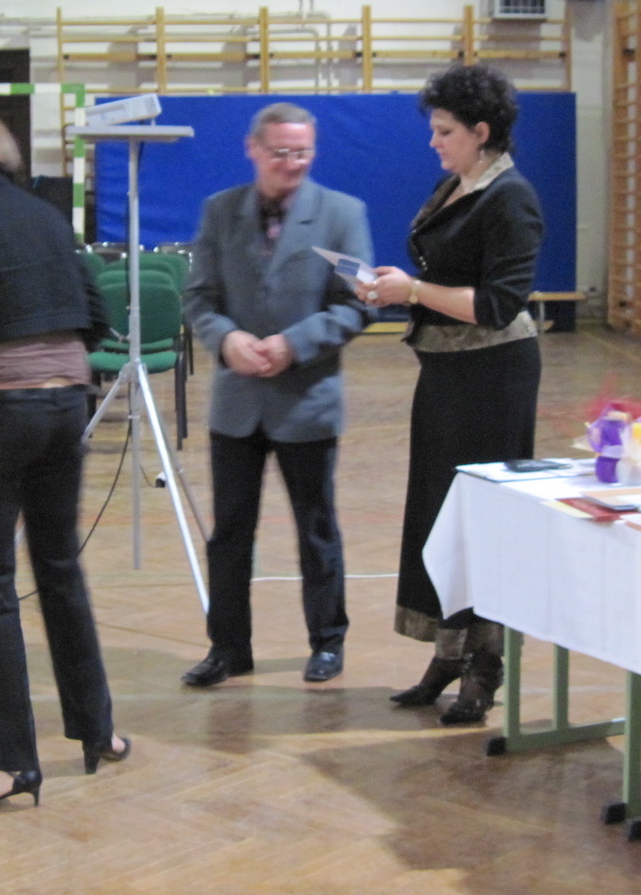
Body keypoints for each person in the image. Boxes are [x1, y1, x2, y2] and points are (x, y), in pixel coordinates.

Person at [0, 99, 129, 810]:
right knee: (60, 569)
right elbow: (97, 319)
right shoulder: (47, 217)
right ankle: (98, 729)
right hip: (66, 405)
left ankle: (12, 763)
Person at [356, 63, 545, 725]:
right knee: (438, 515)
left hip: (492, 378)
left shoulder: (510, 197)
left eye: (444, 131)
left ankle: (484, 664)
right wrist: (395, 286)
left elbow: (496, 305)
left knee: (481, 520)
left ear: (481, 132)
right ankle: (448, 650)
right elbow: (443, 277)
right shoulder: (457, 185)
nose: (433, 142)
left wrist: (410, 290)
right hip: (445, 371)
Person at [180, 102, 374, 688]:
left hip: (306, 398)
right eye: (281, 152)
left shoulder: (343, 213)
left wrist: (295, 344)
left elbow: (359, 303)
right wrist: (226, 339)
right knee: (229, 535)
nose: (292, 163)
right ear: (253, 149)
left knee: (317, 530)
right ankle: (227, 648)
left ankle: (328, 643)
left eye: (303, 152)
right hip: (237, 403)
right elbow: (198, 298)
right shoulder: (219, 211)